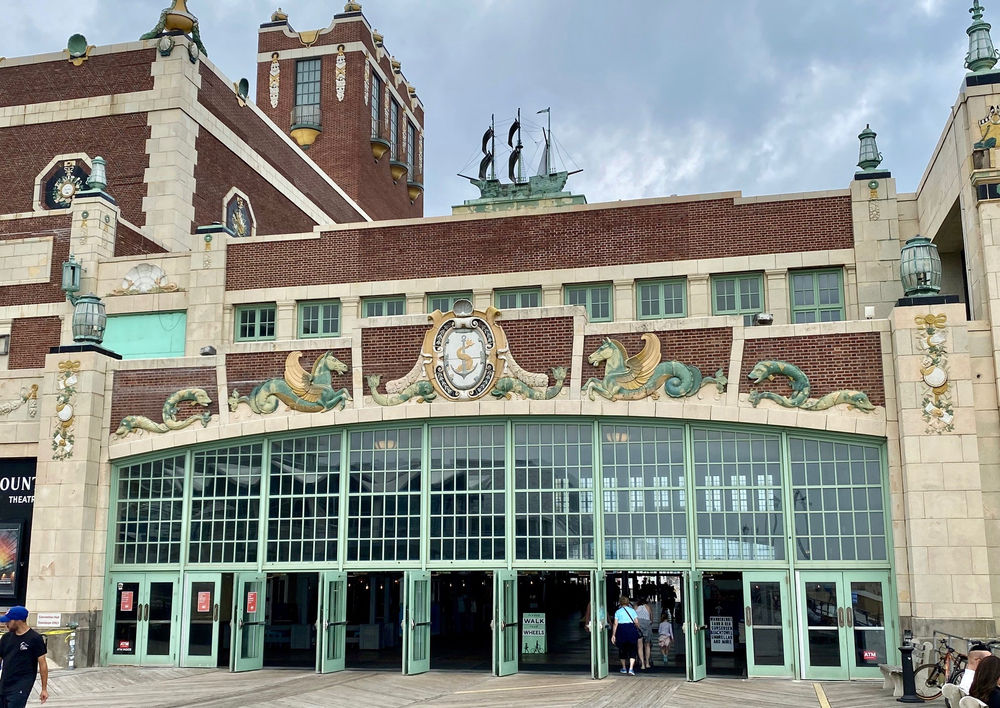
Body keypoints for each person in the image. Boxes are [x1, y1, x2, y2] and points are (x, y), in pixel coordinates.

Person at [0, 606, 48, 708]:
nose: (6, 624)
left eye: (9, 621)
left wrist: (44, 689)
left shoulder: (35, 638)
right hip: (5, 683)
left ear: (18, 621)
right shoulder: (6, 637)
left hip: (22, 684)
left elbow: (42, 663)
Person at [611, 595, 640, 676]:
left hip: (621, 630)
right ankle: (631, 669)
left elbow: (615, 624)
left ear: (620, 602)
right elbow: (636, 622)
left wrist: (613, 635)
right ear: (628, 602)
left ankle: (624, 668)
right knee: (632, 649)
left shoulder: (618, 612)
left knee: (622, 649)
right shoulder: (632, 611)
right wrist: (637, 627)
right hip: (631, 630)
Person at [634, 597, 653, 670]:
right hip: (647, 625)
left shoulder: (635, 606)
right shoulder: (648, 607)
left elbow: (634, 617)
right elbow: (651, 619)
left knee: (640, 646)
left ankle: (642, 664)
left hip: (638, 625)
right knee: (647, 645)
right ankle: (647, 663)